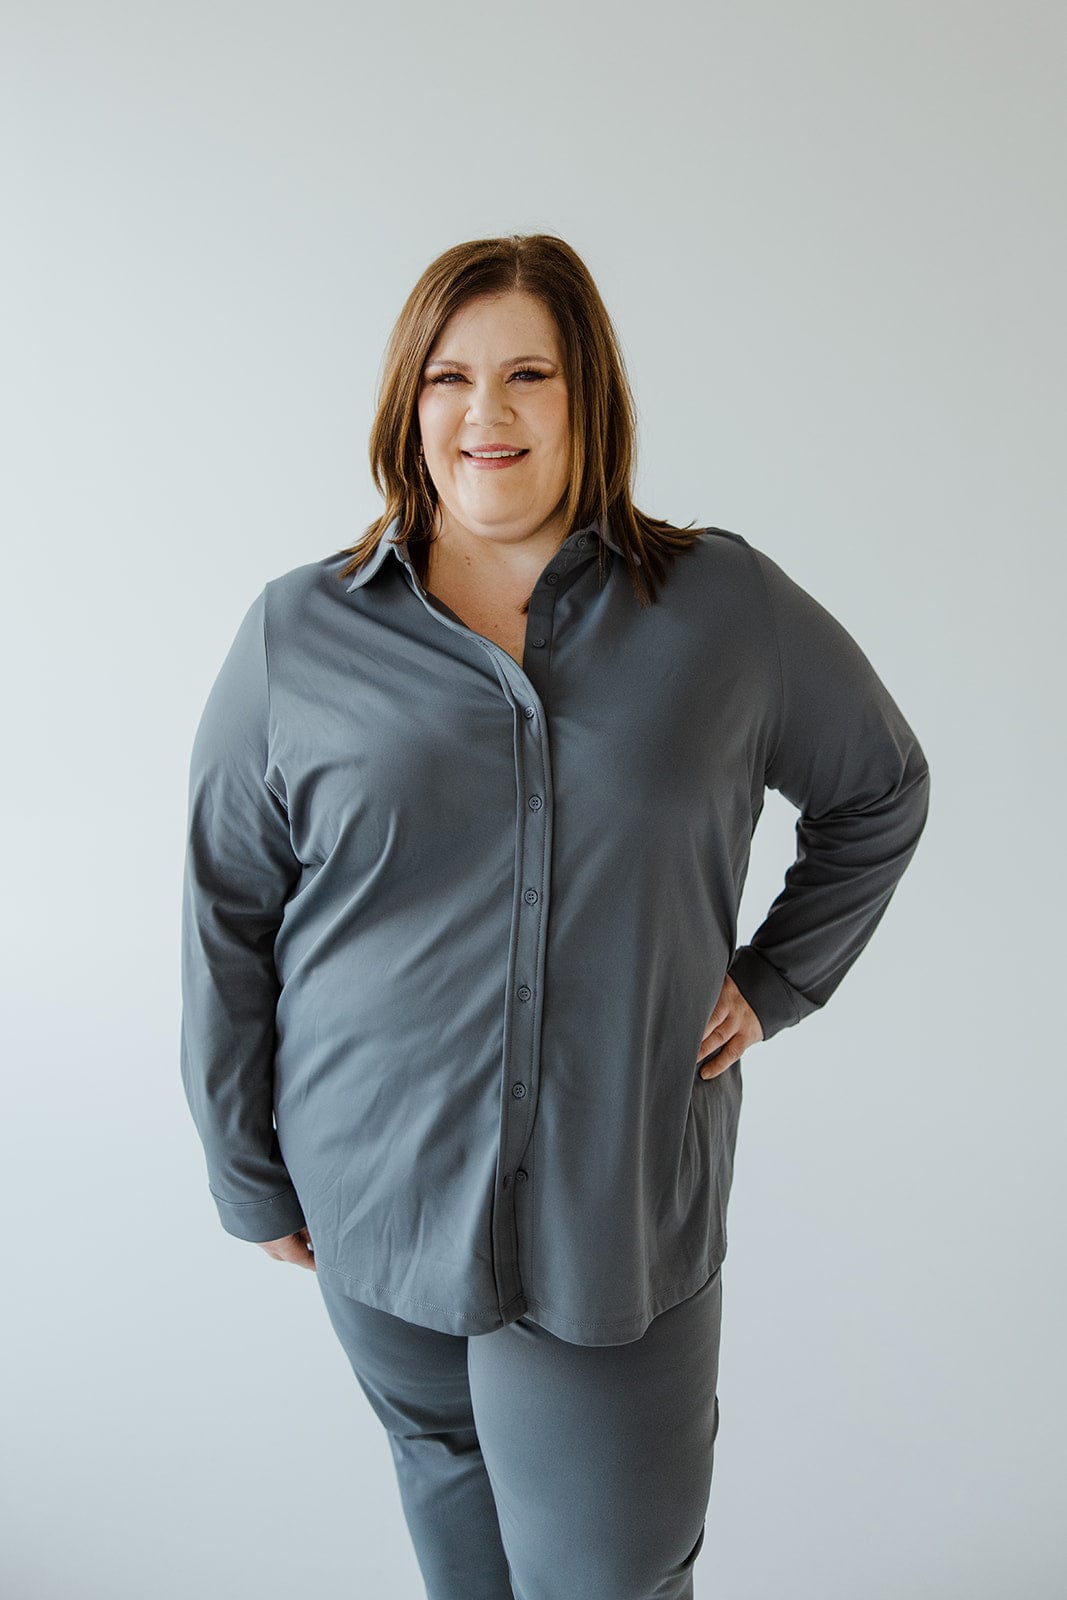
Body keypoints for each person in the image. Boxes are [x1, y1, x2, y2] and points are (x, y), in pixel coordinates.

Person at [179, 232, 931, 1600]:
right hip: (375, 1200)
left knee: (609, 1580)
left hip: (612, 1211)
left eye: (530, 372)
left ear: (589, 396)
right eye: (451, 377)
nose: (489, 412)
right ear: (408, 405)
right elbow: (230, 909)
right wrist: (247, 1165)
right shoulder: (301, 634)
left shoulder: (722, 611)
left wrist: (777, 982)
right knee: (459, 1545)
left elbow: (879, 788)